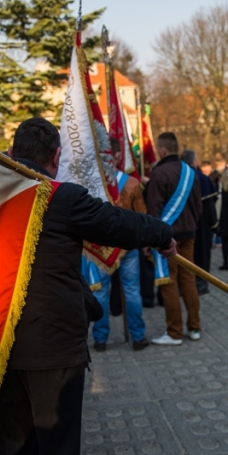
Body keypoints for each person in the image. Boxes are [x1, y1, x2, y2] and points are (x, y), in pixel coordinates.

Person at [0, 118, 175, 455]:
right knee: (57, 448)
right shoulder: (60, 198)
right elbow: (118, 224)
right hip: (53, 349)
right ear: (55, 156)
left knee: (8, 447)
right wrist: (161, 235)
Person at [91, 138, 153, 352]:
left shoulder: (94, 183)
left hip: (102, 245)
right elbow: (142, 216)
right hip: (128, 244)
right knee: (132, 290)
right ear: (117, 155)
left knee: (101, 293)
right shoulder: (133, 183)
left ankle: (100, 339)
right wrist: (146, 242)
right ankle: (137, 337)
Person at [145, 132, 202, 346]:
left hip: (167, 238)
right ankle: (194, 327)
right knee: (188, 280)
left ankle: (174, 332)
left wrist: (150, 240)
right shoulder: (190, 171)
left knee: (169, 283)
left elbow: (153, 212)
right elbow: (198, 206)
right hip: (189, 234)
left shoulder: (158, 173)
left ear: (162, 150)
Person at [186, 152, 218, 296]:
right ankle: (201, 284)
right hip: (202, 224)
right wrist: (213, 224)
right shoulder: (203, 179)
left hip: (182, 224)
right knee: (202, 254)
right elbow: (211, 205)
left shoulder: (178, 177)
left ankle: (185, 285)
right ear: (194, 161)